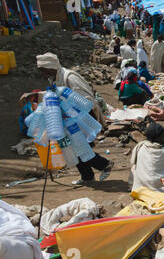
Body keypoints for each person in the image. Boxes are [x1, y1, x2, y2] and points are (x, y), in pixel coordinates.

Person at [35, 53, 113, 185]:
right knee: (74, 149)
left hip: (82, 118)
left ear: (50, 67)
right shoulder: (55, 78)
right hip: (69, 120)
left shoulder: (69, 78)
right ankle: (87, 177)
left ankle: (104, 164)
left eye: (43, 70)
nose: (42, 74)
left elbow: (85, 99)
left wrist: (69, 109)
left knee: (81, 149)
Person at [129, 122, 164, 192]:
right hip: (158, 188)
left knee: (134, 168)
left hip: (142, 186)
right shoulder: (163, 152)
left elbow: (134, 162)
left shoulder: (141, 147)